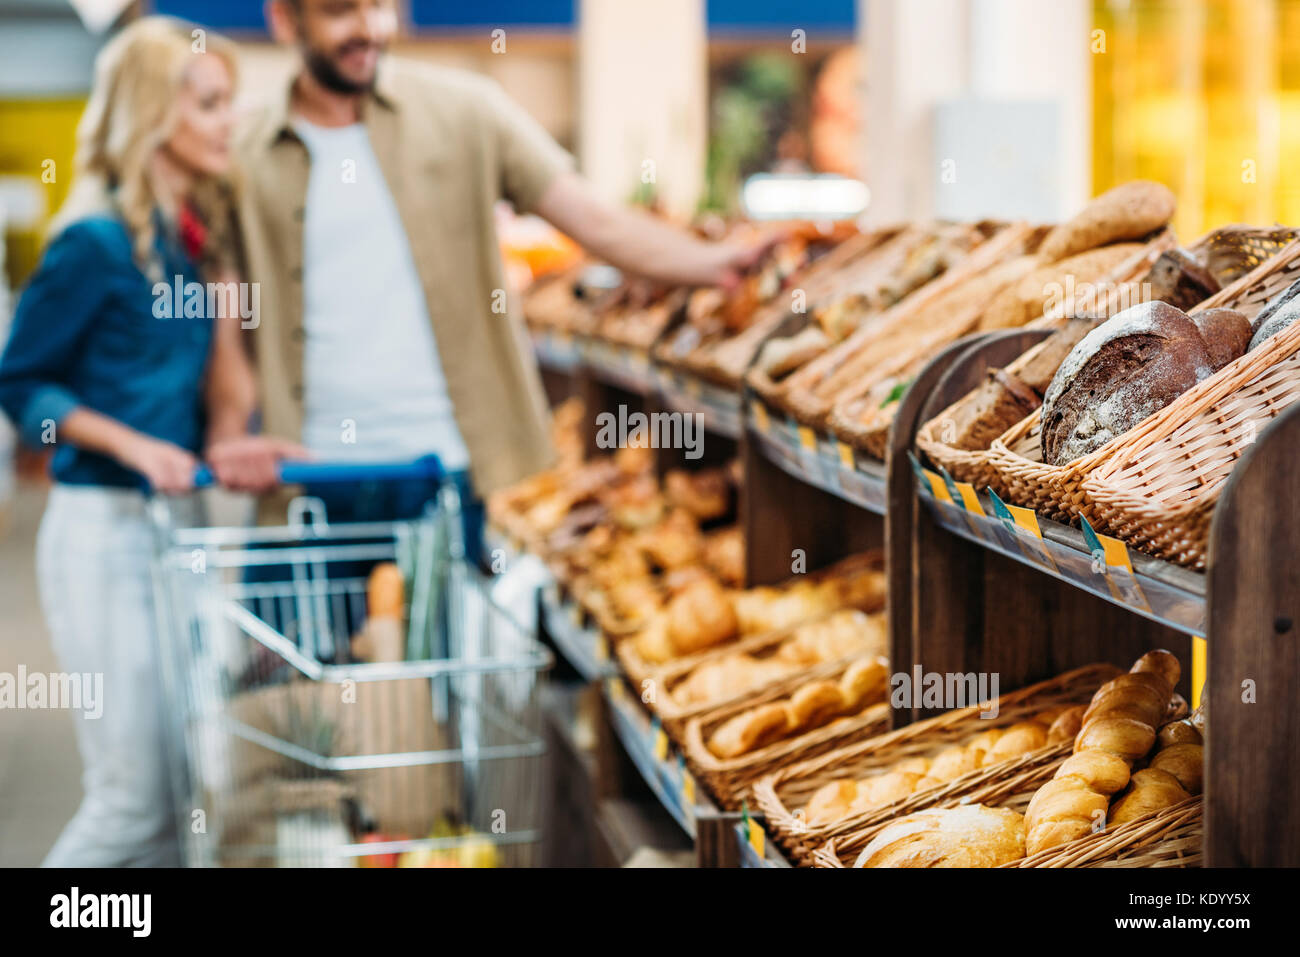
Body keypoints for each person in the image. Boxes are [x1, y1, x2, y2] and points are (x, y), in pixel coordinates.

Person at [209, 0, 769, 554]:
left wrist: (715, 265)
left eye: (379, 6)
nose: (369, 27)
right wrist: (229, 434)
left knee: (444, 645)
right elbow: (228, 317)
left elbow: (593, 220)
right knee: (294, 644)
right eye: (339, 11)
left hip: (442, 471)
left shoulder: (465, 114)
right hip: (303, 478)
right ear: (284, 19)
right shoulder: (242, 151)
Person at [0, 18, 300, 867]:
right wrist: (131, 445)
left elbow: (211, 395)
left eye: (229, 103)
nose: (227, 121)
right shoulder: (92, 243)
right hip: (99, 532)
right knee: (130, 804)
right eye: (207, 102)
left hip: (173, 533)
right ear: (150, 112)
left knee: (178, 801)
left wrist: (233, 442)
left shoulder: (187, 243)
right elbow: (20, 386)